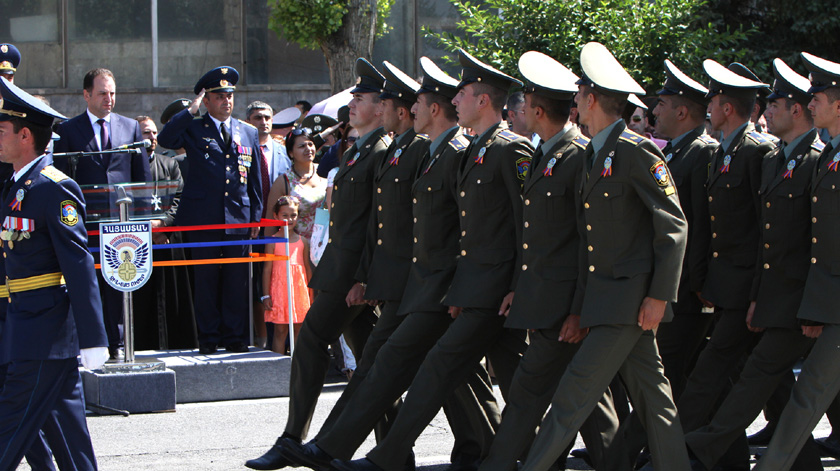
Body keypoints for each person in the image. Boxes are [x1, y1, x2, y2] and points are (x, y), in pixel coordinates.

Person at [329, 47, 532, 471]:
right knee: (513, 381)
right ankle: (509, 455)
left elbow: (524, 227)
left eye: (463, 93)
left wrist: (517, 285)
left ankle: (387, 457)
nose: (454, 100)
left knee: (447, 369)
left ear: (482, 101)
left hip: (494, 290)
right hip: (470, 288)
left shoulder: (510, 150)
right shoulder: (476, 149)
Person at [515, 42, 689, 471]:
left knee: (571, 396)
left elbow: (673, 225)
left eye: (578, 96)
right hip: (605, 300)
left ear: (591, 100)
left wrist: (659, 296)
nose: (574, 103)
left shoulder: (635, 150)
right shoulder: (596, 154)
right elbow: (589, 246)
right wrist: (579, 307)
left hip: (628, 302)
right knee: (654, 400)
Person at [475, 50, 622, 471]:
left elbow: (584, 242)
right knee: (589, 402)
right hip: (543, 299)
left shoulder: (576, 157)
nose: (517, 113)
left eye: (522, 107)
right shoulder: (547, 153)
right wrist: (519, 288)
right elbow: (535, 236)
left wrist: (577, 310)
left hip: (563, 306)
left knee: (528, 394)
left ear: (537, 110)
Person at [245, 57, 389, 470]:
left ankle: (293, 438)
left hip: (353, 277)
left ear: (381, 108)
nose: (353, 104)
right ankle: (395, 450)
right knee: (376, 366)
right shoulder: (355, 150)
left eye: (361, 98)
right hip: (341, 271)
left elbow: (378, 223)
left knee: (310, 342)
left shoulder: (379, 152)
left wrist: (362, 276)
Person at [684, 57, 825, 471]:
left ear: (794, 109)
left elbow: (814, 243)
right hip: (768, 294)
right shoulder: (781, 158)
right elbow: (767, 236)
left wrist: (810, 303)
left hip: (796, 298)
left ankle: (692, 449)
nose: (765, 111)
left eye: (774, 104)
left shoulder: (810, 160)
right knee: (769, 380)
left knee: (752, 376)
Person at [0, 75, 109, 470]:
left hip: (43, 334)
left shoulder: (53, 188)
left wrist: (95, 337)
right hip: (24, 327)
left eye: (2, 130)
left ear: (25, 135)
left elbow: (78, 263)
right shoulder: (16, 186)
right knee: (64, 435)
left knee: (8, 427)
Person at [674, 61, 776, 468]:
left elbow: (766, 230)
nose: (709, 107)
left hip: (747, 288)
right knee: (764, 380)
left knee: (708, 373)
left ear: (727, 107)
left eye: (713, 100)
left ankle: (674, 450)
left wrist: (759, 295)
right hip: (724, 286)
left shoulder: (756, 152)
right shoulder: (727, 152)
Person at [752, 51, 840, 471]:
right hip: (832, 300)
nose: (811, 102)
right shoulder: (828, 155)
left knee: (809, 397)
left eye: (818, 94)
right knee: (808, 397)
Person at [157, 66, 263, 355]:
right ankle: (208, 337)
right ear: (206, 100)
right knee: (205, 279)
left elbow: (255, 180)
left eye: (229, 96)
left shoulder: (248, 131)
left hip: (237, 217)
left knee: (236, 279)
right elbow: (165, 140)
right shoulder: (193, 127)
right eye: (218, 96)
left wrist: (255, 217)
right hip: (203, 217)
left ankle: (235, 336)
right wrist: (189, 112)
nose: (226, 101)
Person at [52, 68, 151, 361]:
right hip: (85, 224)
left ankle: (119, 343)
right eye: (102, 93)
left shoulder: (130, 127)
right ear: (86, 95)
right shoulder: (69, 130)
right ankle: (93, 343)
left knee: (118, 283)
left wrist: (141, 216)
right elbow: (62, 178)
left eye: (112, 93)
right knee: (89, 282)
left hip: (121, 223)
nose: (109, 99)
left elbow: (140, 178)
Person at [131, 116, 196, 350]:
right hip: (136, 244)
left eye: (154, 133)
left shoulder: (169, 164)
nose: (152, 138)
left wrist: (164, 224)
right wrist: (146, 230)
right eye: (146, 133)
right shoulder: (125, 165)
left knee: (171, 295)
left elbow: (179, 198)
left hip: (167, 239)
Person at [262, 195, 311, 354]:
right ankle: (280, 370)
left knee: (299, 330)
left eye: (293, 215)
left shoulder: (303, 241)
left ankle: (296, 370)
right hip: (280, 294)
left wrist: (311, 295)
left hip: (299, 293)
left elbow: (307, 269)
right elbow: (267, 269)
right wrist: (266, 295)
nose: (289, 219)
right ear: (276, 216)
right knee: (280, 331)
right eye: (285, 215)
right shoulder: (272, 241)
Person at [282, 127, 326, 242]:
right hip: (296, 250)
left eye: (310, 144)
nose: (308, 149)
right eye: (302, 146)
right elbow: (272, 223)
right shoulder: (284, 181)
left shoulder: (325, 172)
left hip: (324, 246)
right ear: (291, 153)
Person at [246, 101, 292, 207]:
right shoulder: (239, 151)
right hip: (249, 213)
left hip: (277, 213)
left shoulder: (285, 152)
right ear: (247, 121)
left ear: (272, 120)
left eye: (267, 118)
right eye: (258, 118)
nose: (263, 122)